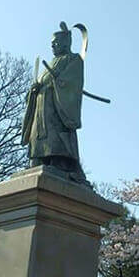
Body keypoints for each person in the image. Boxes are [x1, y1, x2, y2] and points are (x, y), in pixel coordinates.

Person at [21, 22, 88, 184]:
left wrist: (60, 83)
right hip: (40, 106)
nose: (53, 46)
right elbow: (40, 82)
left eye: (56, 43)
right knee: (38, 134)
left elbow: (73, 82)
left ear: (66, 43)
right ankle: (39, 159)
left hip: (58, 105)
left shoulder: (74, 59)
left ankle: (59, 162)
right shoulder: (49, 64)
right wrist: (34, 90)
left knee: (55, 134)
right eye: (52, 44)